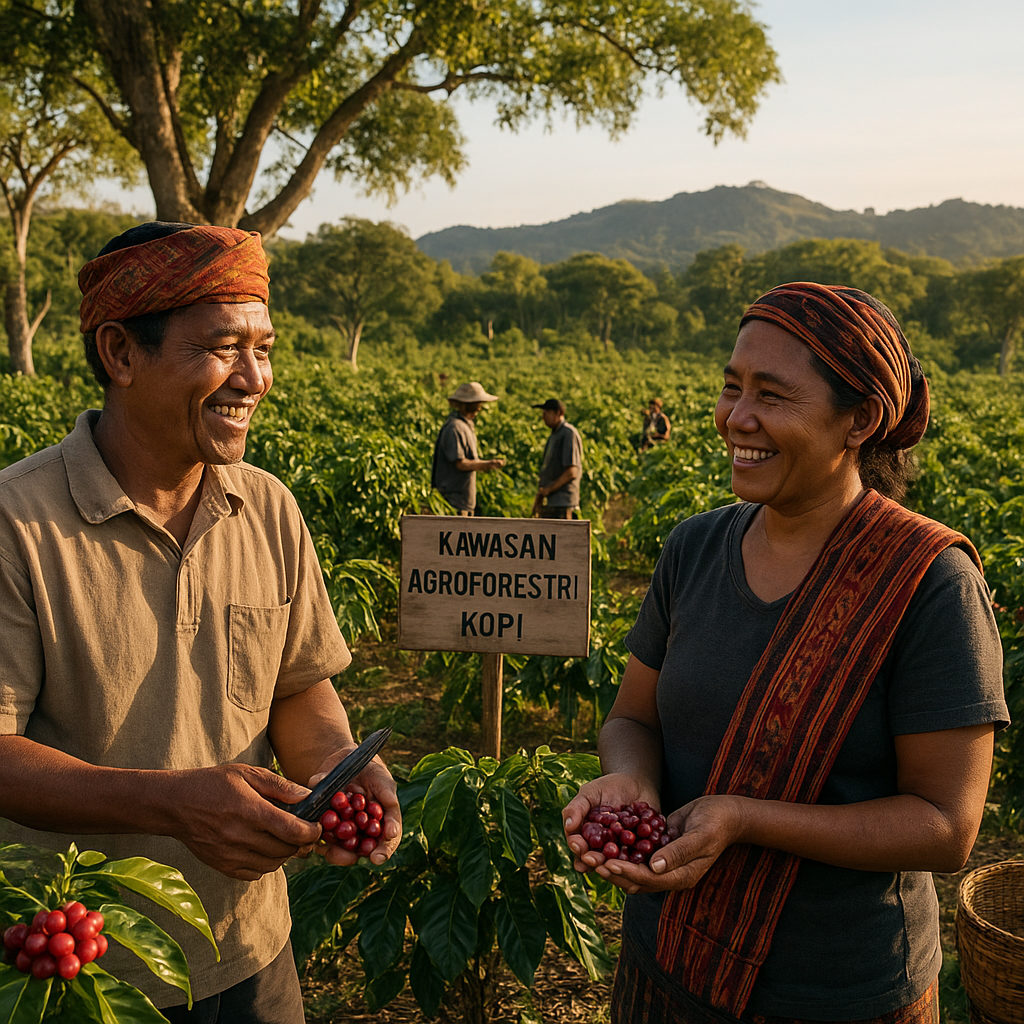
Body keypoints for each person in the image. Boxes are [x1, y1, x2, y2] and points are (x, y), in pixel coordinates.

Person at [562, 282, 1008, 1024]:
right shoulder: (694, 548)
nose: (737, 418)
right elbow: (631, 719)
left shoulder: (929, 584)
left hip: (835, 990)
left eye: (772, 394)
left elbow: (946, 826)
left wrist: (743, 816)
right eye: (731, 387)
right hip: (667, 957)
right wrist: (632, 782)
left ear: (859, 419)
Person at [0, 222, 402, 1023]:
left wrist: (338, 768)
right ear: (120, 354)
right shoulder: (18, 521)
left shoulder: (268, 507)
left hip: (251, 946)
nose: (254, 377)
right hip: (81, 968)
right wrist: (172, 803)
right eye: (223, 347)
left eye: (266, 348)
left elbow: (297, 685)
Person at [431, 380, 506, 515]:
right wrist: (487, 465)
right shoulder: (455, 427)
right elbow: (460, 463)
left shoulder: (466, 426)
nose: (480, 407)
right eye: (478, 403)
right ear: (469, 404)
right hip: (453, 501)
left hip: (463, 500)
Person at [531, 398, 584, 519]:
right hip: (552, 502)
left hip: (563, 502)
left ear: (559, 413)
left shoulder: (568, 434)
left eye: (546, 413)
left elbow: (571, 472)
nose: (543, 417)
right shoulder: (554, 435)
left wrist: (549, 489)